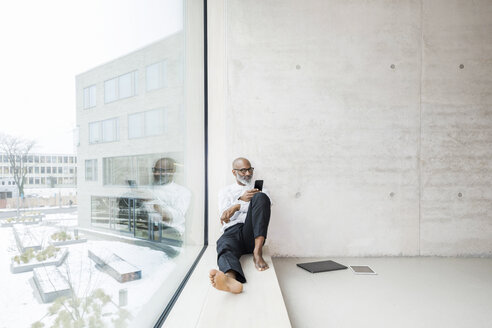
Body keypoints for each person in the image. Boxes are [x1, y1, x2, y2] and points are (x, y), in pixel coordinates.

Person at [209, 157, 271, 294]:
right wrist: (241, 200)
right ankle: (229, 279)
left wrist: (237, 206)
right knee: (224, 245)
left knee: (260, 198)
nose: (248, 173)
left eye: (250, 169)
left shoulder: (261, 190)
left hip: (252, 234)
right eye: (243, 170)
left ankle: (257, 253)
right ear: (234, 172)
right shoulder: (225, 191)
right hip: (232, 231)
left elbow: (265, 207)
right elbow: (225, 217)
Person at [142, 157, 191, 237]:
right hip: (148, 230)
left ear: (172, 171)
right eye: (155, 170)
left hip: (170, 233)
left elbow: (174, 218)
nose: (156, 173)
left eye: (161, 171)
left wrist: (154, 202)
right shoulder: (148, 189)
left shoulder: (183, 192)